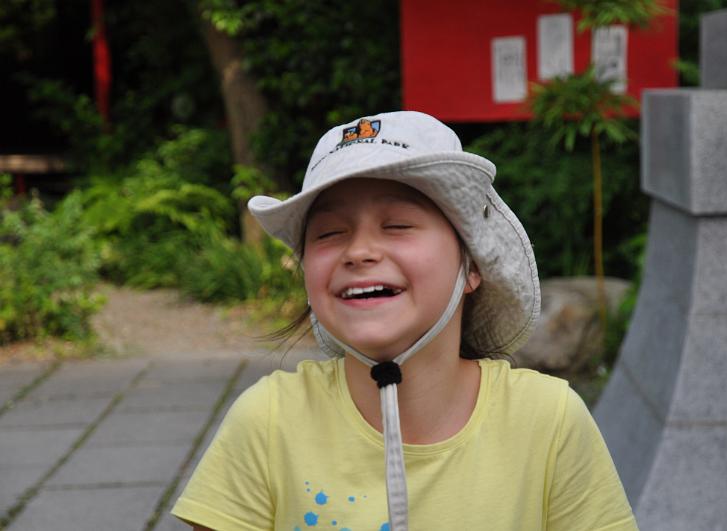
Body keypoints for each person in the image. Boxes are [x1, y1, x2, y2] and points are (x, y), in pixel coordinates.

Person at [171, 111, 638, 531]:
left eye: (396, 225)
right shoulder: (269, 422)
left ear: (472, 263)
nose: (359, 252)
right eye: (329, 234)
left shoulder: (547, 419)